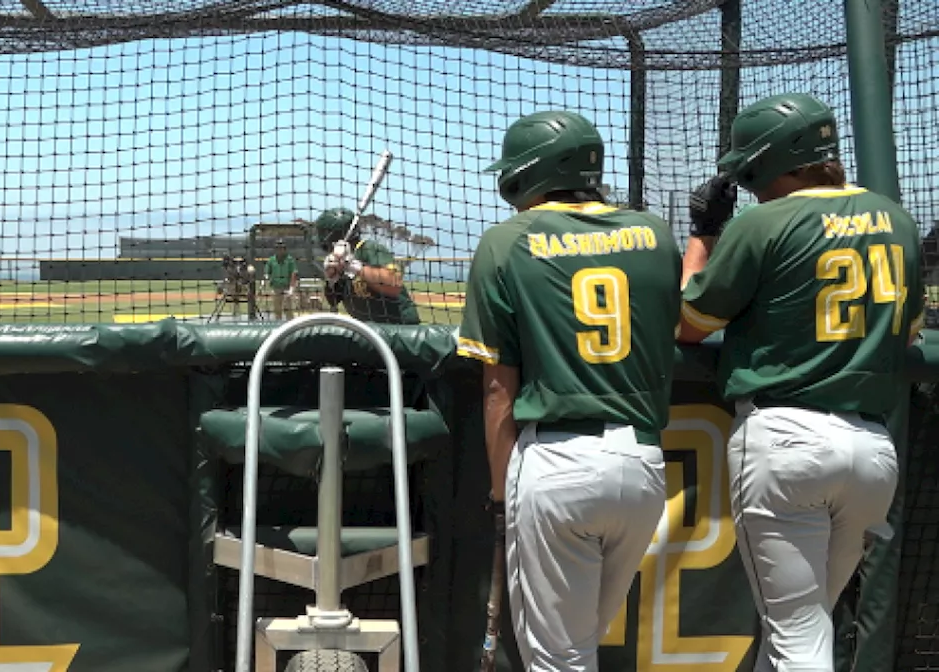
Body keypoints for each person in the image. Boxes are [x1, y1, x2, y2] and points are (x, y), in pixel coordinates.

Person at [677, 93, 923, 670]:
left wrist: (703, 235)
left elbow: (689, 324)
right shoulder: (896, 218)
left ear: (769, 161)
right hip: (872, 453)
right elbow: (909, 337)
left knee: (798, 642)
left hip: (786, 443)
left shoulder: (764, 221)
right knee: (799, 629)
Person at [457, 110, 681, 670]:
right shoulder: (654, 232)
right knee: (581, 647)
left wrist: (500, 493)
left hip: (558, 466)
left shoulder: (505, 241)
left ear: (526, 175)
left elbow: (496, 392)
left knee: (559, 659)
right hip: (642, 465)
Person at [316, 207, 420, 325]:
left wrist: (353, 265)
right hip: (370, 329)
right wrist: (332, 278)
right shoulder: (340, 260)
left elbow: (394, 284)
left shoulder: (370, 249)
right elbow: (333, 300)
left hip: (400, 328)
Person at [263, 239, 298, 320]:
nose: (279, 250)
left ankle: (290, 324)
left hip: (286, 287)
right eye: (277, 248)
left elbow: (294, 273)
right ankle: (278, 325)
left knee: (288, 309)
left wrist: (292, 288)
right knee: (277, 309)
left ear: (284, 249)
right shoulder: (271, 260)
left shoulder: (290, 260)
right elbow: (267, 271)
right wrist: (266, 276)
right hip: (276, 287)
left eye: (281, 248)